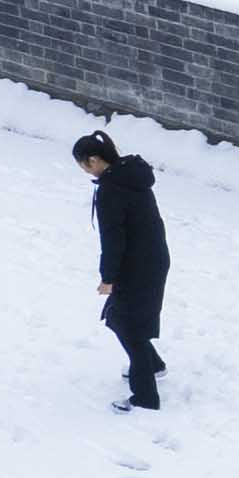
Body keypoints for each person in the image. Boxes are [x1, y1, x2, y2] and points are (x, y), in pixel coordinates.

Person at [76, 130, 168, 410]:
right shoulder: (131, 175)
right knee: (122, 318)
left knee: (129, 327)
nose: (82, 170)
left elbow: (113, 239)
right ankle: (154, 366)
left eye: (82, 164)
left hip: (136, 265)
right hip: (153, 258)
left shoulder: (111, 190)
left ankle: (145, 398)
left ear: (93, 161)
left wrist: (108, 278)